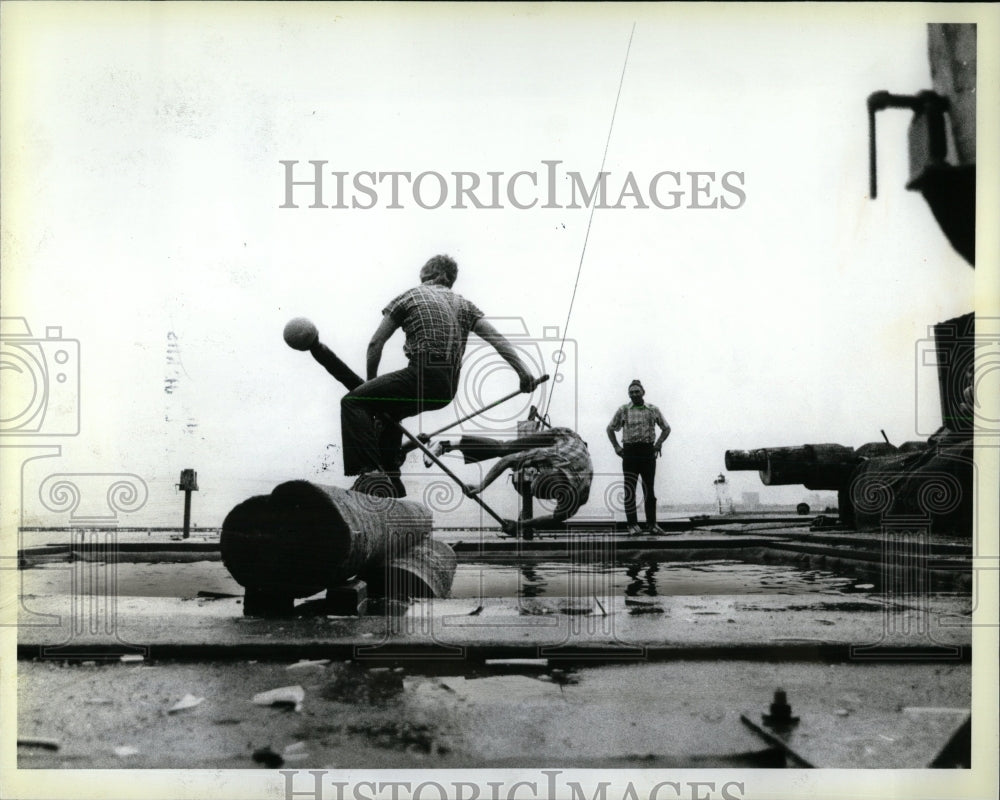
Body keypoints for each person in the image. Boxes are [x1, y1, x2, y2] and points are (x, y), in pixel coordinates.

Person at [339, 254, 535, 496]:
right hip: (446, 390)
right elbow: (497, 339)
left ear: (424, 274)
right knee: (391, 414)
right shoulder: (466, 306)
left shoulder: (410, 295)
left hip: (421, 374)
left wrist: (370, 389)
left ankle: (370, 473)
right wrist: (523, 372)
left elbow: (375, 345)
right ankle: (393, 480)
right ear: (450, 279)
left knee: (353, 402)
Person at [431, 426, 592, 537]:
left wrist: (519, 525)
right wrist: (482, 486)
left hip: (574, 462)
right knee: (504, 449)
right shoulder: (553, 455)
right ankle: (446, 445)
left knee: (519, 461)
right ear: (549, 469)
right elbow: (507, 459)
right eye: (537, 474)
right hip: (563, 437)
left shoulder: (578, 498)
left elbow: (555, 518)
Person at [606, 379, 671, 535]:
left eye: (637, 391)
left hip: (648, 452)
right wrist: (616, 447)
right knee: (629, 489)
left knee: (649, 489)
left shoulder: (653, 409)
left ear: (643, 392)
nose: (634, 394)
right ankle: (632, 525)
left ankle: (652, 524)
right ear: (628, 394)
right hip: (629, 453)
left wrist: (658, 444)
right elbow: (610, 429)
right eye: (631, 392)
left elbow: (666, 428)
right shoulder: (623, 410)